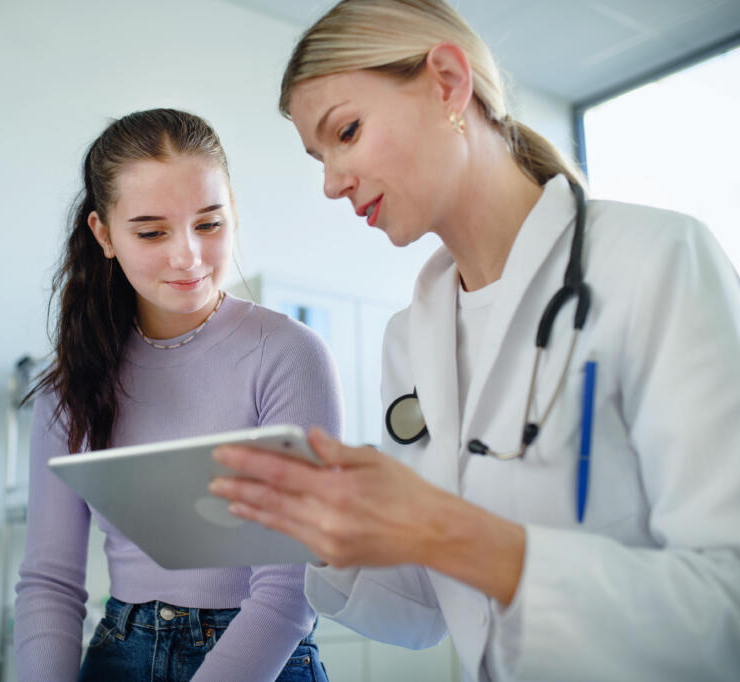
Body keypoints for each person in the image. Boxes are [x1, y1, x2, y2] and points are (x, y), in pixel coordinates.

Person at [207, 1, 740, 680]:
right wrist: (318, 532)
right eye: (319, 157)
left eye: (346, 131)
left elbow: (728, 609)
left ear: (448, 82)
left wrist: (447, 529)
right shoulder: (411, 338)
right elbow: (431, 613)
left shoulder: (658, 262)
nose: (331, 182)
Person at [13, 108, 341, 682]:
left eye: (209, 224)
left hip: (263, 657)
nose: (187, 255)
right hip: (120, 654)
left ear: (233, 211)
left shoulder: (289, 354)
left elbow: (290, 590)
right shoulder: (74, 383)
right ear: (104, 235)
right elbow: (49, 582)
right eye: (151, 231)